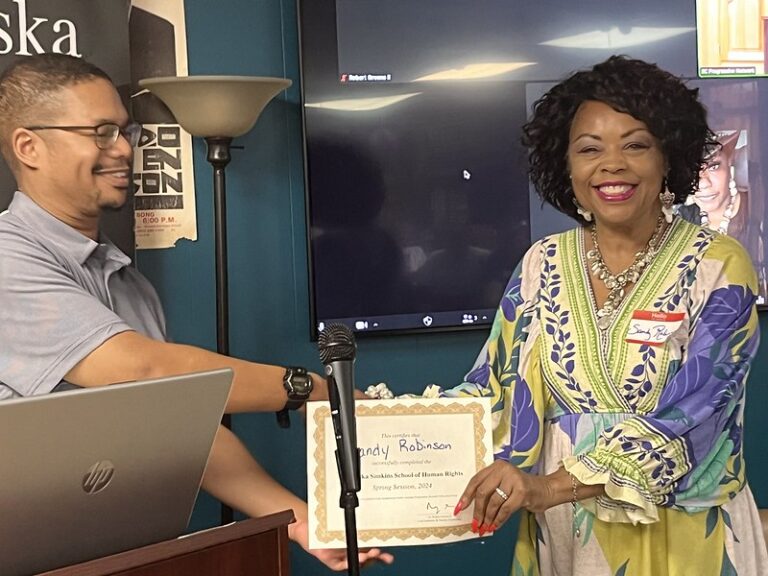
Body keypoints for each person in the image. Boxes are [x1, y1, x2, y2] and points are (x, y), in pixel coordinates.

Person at [0, 53, 393, 571]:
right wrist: (308, 390)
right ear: (28, 146)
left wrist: (302, 521)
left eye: (125, 132)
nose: (124, 149)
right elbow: (143, 371)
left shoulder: (129, 284)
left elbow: (178, 428)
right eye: (100, 133)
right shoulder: (7, 259)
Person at [432, 56, 767, 574]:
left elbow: (695, 415)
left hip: (679, 535)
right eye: (589, 149)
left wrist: (549, 487)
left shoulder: (719, 264)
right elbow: (491, 393)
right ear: (566, 165)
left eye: (636, 145)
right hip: (565, 535)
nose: (612, 164)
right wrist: (360, 412)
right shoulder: (541, 263)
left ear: (668, 157)